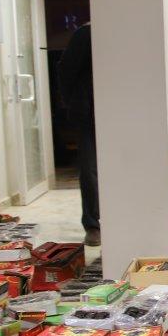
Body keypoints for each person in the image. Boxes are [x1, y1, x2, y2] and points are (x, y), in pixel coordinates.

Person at [58, 22, 99, 247]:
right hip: (88, 112)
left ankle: (117, 219)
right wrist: (73, 103)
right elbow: (66, 71)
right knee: (90, 168)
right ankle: (93, 225)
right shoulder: (86, 33)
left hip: (119, 115)